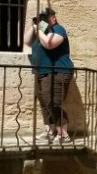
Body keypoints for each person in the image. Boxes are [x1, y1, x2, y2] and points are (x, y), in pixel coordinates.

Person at [24, 8, 74, 144]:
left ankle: (63, 134)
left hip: (57, 71)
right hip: (41, 71)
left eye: (45, 17)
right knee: (45, 104)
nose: (43, 20)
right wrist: (34, 27)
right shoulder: (42, 31)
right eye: (41, 17)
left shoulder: (58, 29)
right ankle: (50, 131)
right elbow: (26, 42)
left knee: (54, 103)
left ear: (53, 17)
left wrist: (39, 30)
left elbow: (49, 44)